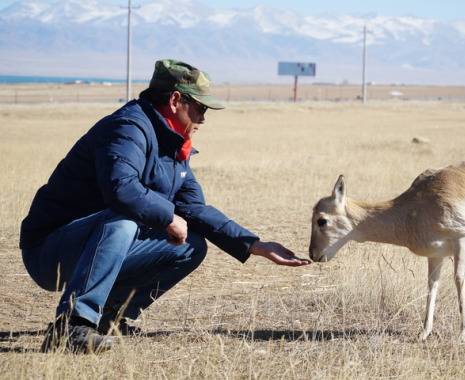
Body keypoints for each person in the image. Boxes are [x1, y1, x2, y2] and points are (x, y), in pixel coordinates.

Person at [20, 59, 311, 354]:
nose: (204, 118)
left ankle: (110, 318)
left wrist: (254, 245)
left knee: (190, 246)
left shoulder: (173, 142)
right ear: (175, 100)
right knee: (123, 221)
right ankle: (72, 324)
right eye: (201, 108)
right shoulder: (128, 128)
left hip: (97, 248)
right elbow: (121, 189)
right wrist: (168, 216)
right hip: (50, 251)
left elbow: (194, 208)